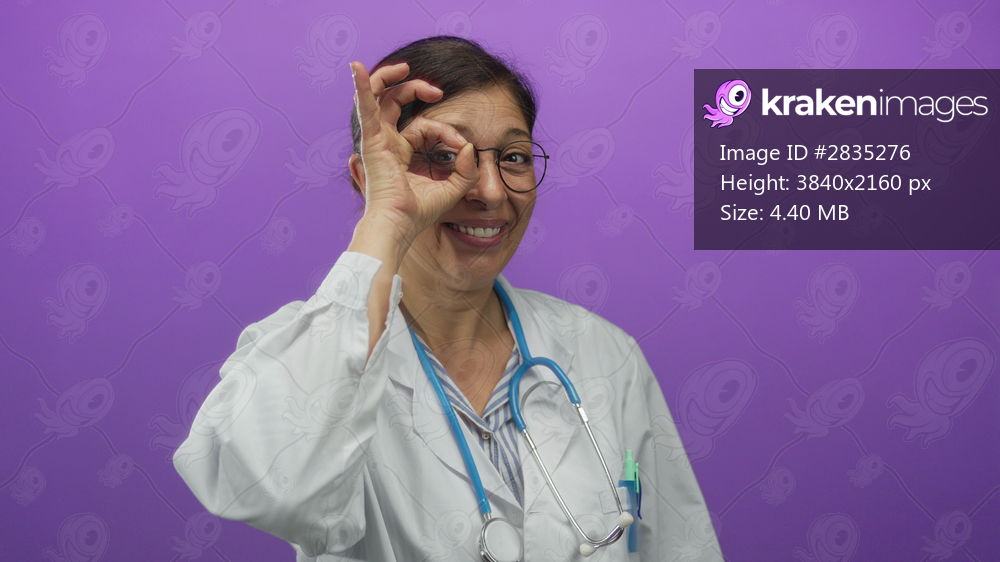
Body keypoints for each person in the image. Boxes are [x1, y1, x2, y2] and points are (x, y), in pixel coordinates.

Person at [174, 36, 722, 561]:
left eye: (513, 157)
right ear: (368, 178)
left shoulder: (605, 354)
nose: (490, 191)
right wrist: (386, 217)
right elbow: (268, 490)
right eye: (442, 155)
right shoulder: (305, 352)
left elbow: (681, 548)